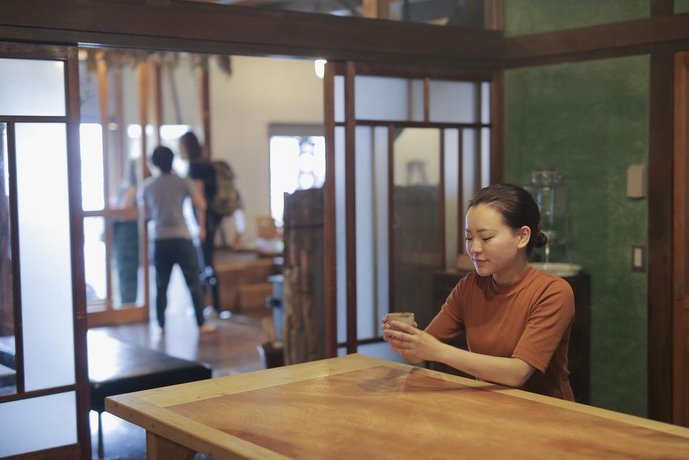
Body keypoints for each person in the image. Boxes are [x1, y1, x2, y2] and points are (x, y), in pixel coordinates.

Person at [383, 183, 575, 400]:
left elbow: (518, 373)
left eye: (486, 238)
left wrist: (437, 350)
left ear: (522, 236)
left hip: (547, 412)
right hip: (490, 406)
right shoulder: (469, 287)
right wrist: (407, 340)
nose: (474, 248)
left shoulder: (553, 292)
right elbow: (417, 355)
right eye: (469, 238)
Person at [140, 145, 216, 335]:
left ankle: (160, 323)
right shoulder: (182, 182)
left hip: (160, 239)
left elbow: (146, 215)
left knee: (161, 284)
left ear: (154, 163)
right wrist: (202, 227)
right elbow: (201, 204)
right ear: (172, 160)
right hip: (182, 237)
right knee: (193, 282)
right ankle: (201, 323)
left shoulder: (148, 186)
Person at [178, 131, 223, 316]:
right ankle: (213, 305)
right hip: (213, 219)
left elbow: (200, 199)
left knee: (205, 263)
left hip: (205, 221)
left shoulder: (195, 167)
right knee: (207, 262)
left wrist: (201, 226)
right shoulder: (206, 164)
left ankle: (208, 306)